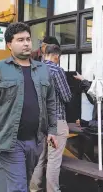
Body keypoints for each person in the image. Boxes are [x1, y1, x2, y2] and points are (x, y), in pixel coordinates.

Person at [0, 22, 58, 192]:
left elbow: (50, 102)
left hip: (36, 141)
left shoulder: (42, 70)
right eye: (20, 40)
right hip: (9, 141)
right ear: (9, 45)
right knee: (19, 186)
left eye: (28, 39)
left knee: (24, 182)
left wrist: (52, 130)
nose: (26, 43)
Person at [30, 44, 72, 192]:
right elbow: (67, 96)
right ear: (56, 56)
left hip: (38, 121)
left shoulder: (34, 70)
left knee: (40, 158)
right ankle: (52, 190)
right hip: (57, 119)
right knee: (54, 160)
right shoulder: (57, 70)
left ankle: (34, 188)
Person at [66, 73, 103, 162]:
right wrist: (83, 79)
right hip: (94, 135)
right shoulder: (100, 98)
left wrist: (87, 123)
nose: (101, 86)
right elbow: (90, 90)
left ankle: (88, 166)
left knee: (89, 150)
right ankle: (87, 164)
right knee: (69, 143)